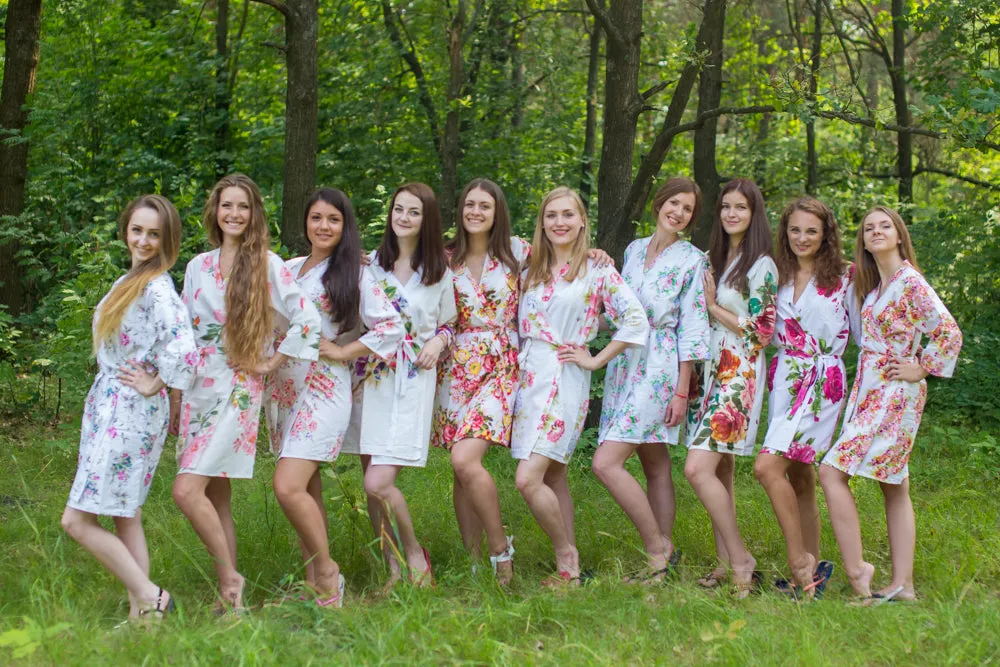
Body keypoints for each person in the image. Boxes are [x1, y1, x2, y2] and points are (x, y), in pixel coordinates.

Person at [172, 174, 321, 611]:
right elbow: (183, 336)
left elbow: (307, 320)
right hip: (199, 387)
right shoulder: (197, 265)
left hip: (237, 387)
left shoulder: (267, 265)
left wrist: (272, 362)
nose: (234, 214)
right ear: (214, 212)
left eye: (243, 206)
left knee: (185, 491)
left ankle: (231, 579)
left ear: (254, 213)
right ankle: (230, 595)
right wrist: (175, 393)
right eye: (226, 206)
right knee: (215, 495)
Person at [61, 194, 197, 622]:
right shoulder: (132, 280)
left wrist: (156, 380)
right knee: (126, 513)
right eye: (137, 230)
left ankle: (152, 596)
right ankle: (145, 617)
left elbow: (187, 350)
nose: (143, 240)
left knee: (76, 521)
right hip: (113, 406)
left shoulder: (157, 287)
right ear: (125, 231)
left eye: (154, 234)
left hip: (129, 410)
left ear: (167, 239)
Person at [267, 188, 404, 607]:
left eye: (333, 219)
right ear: (305, 222)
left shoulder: (355, 272)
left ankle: (329, 573)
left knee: (287, 487)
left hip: (325, 387)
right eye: (316, 218)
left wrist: (344, 350)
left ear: (345, 227)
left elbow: (391, 327)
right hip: (285, 387)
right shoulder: (287, 268)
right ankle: (313, 582)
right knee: (307, 489)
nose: (323, 226)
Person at [819, 205, 962, 603]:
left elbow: (948, 332)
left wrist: (923, 368)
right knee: (894, 483)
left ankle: (859, 570)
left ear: (899, 235)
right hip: (870, 391)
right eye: (869, 228)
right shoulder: (878, 286)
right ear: (863, 240)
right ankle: (904, 585)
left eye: (885, 226)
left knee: (832, 472)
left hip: (895, 392)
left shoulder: (909, 282)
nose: (876, 231)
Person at [511, 186, 648, 586]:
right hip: (529, 378)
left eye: (568, 215)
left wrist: (595, 359)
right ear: (542, 223)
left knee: (528, 478)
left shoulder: (598, 269)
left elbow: (635, 318)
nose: (559, 222)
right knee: (553, 476)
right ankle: (569, 571)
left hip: (565, 376)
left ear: (582, 220)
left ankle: (565, 553)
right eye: (551, 215)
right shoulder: (530, 266)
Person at [594, 177, 711, 583]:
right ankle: (663, 560)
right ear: (659, 202)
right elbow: (618, 306)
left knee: (606, 463)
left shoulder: (694, 260)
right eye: (673, 203)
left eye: (687, 210)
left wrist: (682, 388)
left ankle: (657, 549)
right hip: (625, 361)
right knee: (654, 461)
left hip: (661, 365)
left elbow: (693, 327)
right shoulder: (633, 249)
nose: (678, 213)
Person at [349, 183, 457, 589]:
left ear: (426, 219)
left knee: (379, 482)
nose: (404, 218)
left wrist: (438, 340)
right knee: (370, 482)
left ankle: (415, 555)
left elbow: (449, 323)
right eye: (398, 210)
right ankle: (390, 565)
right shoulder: (370, 265)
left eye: (413, 212)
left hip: (411, 378)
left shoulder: (439, 272)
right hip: (369, 377)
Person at [431, 179, 526, 585]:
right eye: (469, 204)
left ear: (496, 211)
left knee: (465, 459)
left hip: (500, 363)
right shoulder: (443, 257)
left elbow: (567, 260)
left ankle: (500, 550)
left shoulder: (519, 252)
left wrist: (594, 252)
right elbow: (397, 270)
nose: (475, 211)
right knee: (461, 471)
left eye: (484, 206)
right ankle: (474, 563)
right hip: (453, 367)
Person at [684, 178, 776, 597]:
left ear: (754, 214)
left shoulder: (761, 266)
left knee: (696, 468)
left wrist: (713, 307)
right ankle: (725, 563)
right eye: (725, 207)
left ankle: (742, 561)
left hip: (739, 375)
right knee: (720, 469)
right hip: (710, 371)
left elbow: (762, 331)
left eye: (741, 207)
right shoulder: (715, 258)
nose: (731, 214)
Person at [756, 197, 851, 598]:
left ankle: (801, 567)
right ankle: (816, 565)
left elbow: (876, 324)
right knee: (798, 474)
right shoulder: (776, 273)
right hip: (785, 379)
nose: (802, 238)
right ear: (785, 232)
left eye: (811, 230)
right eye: (795, 229)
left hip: (822, 381)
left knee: (766, 468)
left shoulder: (846, 277)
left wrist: (916, 366)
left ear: (826, 234)